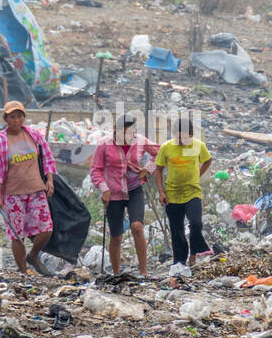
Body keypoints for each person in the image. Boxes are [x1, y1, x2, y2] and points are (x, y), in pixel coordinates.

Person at [0, 101, 56, 274]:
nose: (16, 120)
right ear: (6, 119)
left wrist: (50, 180)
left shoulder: (33, 134)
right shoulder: (0, 140)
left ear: (23, 118)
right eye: (12, 117)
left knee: (46, 228)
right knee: (17, 234)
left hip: (36, 189)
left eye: (19, 116)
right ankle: (23, 270)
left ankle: (33, 256)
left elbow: (47, 157)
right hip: (13, 194)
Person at [90, 115, 159, 278]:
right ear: (115, 130)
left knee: (137, 226)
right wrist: (103, 188)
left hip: (134, 189)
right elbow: (95, 170)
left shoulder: (140, 141)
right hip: (113, 193)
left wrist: (148, 169)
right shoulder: (104, 145)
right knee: (116, 236)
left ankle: (143, 271)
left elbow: (160, 153)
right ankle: (116, 273)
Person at [155, 114, 213, 270]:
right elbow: (158, 170)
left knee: (195, 223)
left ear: (191, 135)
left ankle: (194, 254)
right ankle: (179, 262)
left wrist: (198, 174)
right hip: (172, 194)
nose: (181, 141)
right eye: (178, 137)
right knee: (176, 230)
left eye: (184, 138)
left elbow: (208, 160)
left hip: (192, 192)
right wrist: (161, 192)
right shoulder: (166, 147)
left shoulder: (198, 145)